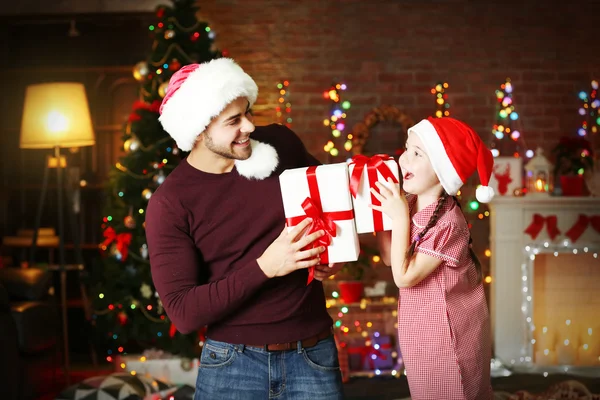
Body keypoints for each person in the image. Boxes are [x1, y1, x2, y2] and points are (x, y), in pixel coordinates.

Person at [145, 58, 345, 400]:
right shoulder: (170, 203)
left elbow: (330, 201)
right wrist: (266, 267)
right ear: (198, 129)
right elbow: (184, 312)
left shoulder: (281, 144)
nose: (250, 126)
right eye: (233, 121)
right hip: (232, 365)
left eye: (247, 112)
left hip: (313, 355)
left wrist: (331, 253)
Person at [371, 117, 494, 400]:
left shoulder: (449, 223)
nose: (403, 159)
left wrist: (399, 215)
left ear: (442, 169)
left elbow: (404, 276)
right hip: (422, 336)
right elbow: (391, 258)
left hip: (449, 342)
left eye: (417, 153)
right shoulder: (411, 205)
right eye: (406, 149)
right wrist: (382, 214)